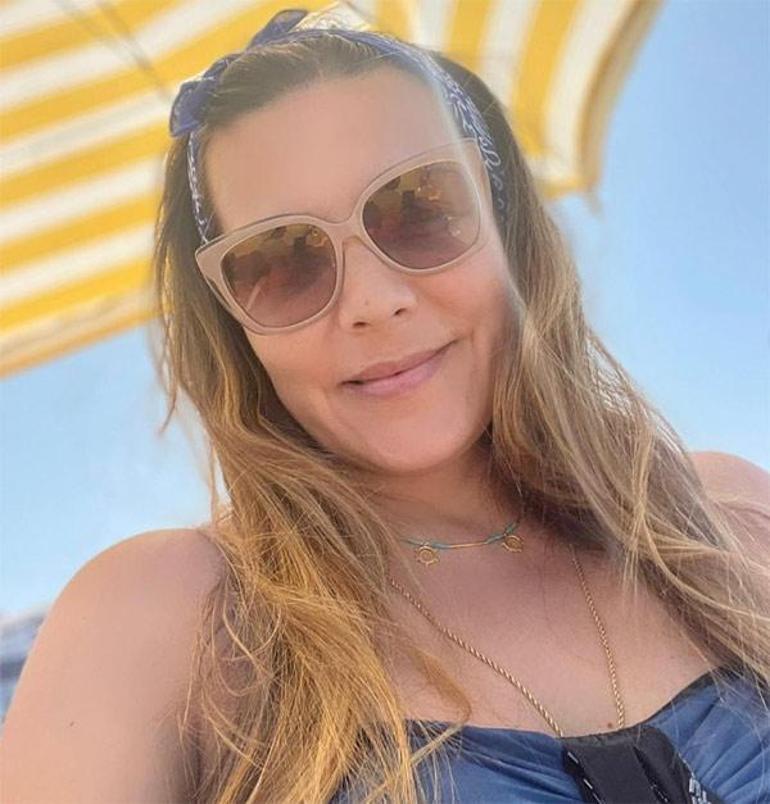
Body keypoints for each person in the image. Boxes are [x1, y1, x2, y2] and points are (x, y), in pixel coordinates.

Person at [2, 5, 769, 802]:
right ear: (232, 324)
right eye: (281, 260)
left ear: (504, 216)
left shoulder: (729, 521)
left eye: (419, 206)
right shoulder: (166, 620)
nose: (373, 300)